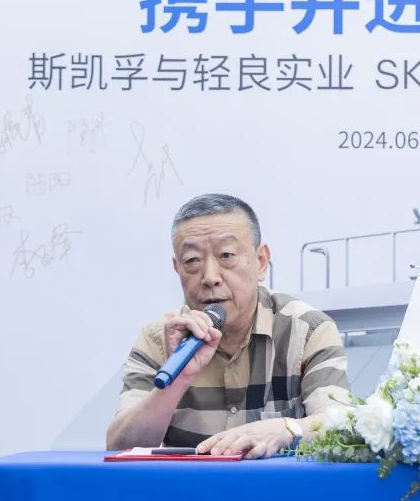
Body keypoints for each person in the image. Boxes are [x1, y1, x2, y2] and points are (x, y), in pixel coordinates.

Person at [106, 194, 349, 458]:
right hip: (190, 485)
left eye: (226, 255)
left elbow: (342, 426)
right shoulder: (159, 338)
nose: (210, 277)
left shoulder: (307, 330)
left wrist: (286, 429)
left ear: (261, 261)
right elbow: (120, 447)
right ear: (177, 268)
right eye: (192, 260)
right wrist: (178, 380)